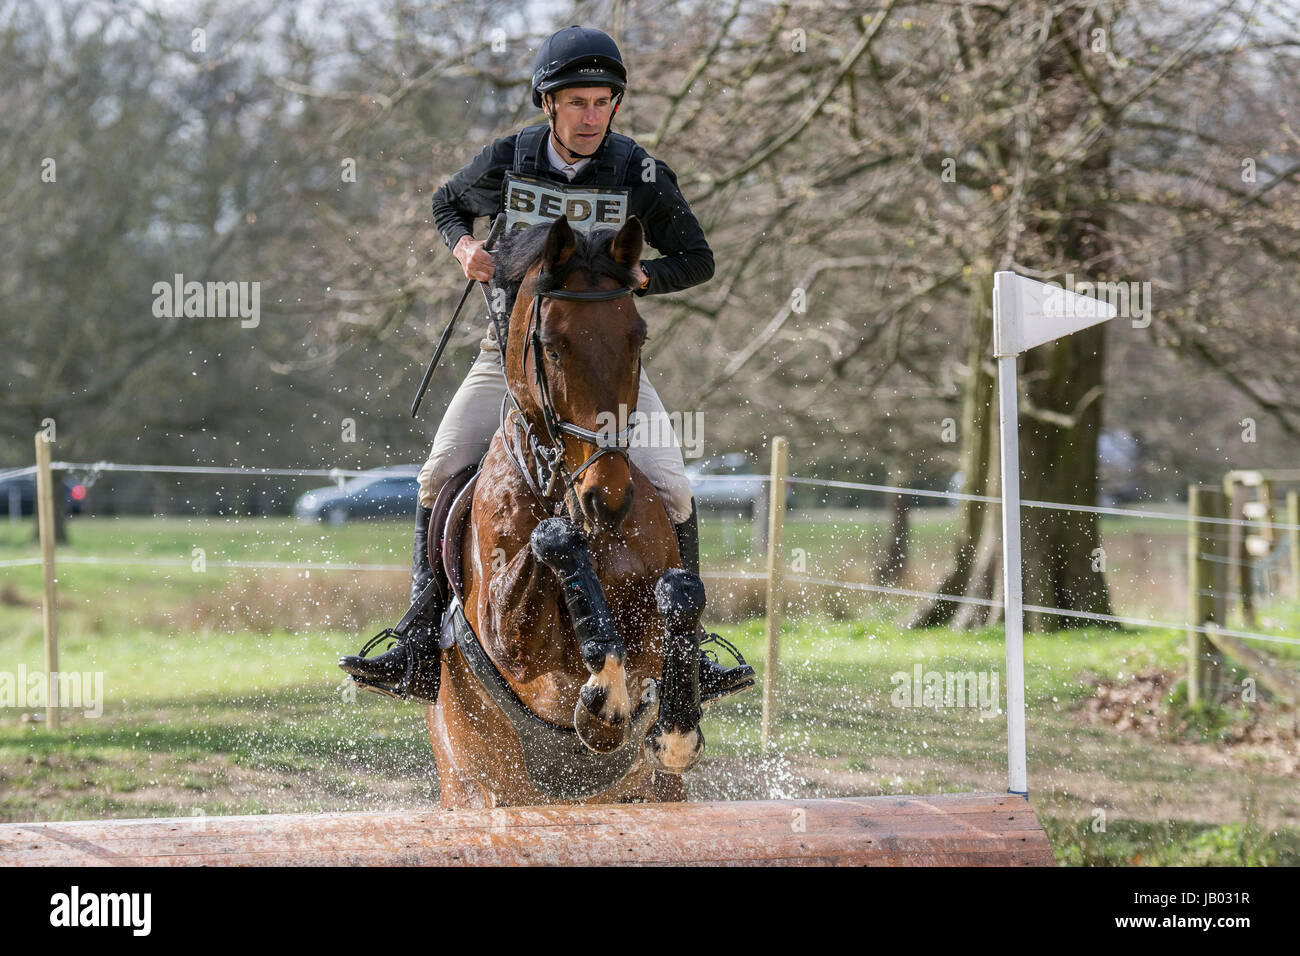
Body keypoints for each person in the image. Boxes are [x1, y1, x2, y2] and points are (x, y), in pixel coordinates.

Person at [339, 25, 754, 707]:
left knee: (675, 488)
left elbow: (698, 258)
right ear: (547, 104)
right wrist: (464, 248)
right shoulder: (509, 158)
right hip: (506, 359)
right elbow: (447, 204)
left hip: (601, 369)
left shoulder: (639, 171)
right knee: (439, 470)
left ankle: (691, 653)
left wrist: (645, 278)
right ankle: (417, 636)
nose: (591, 117)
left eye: (602, 103)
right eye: (577, 104)